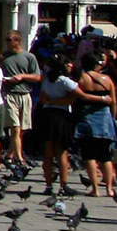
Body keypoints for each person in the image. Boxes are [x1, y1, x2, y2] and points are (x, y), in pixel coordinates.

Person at [75, 48, 117, 197]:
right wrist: (112, 118)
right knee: (105, 156)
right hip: (104, 119)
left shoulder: (82, 79)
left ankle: (95, 188)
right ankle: (109, 188)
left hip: (87, 119)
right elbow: (113, 102)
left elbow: (77, 98)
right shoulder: (107, 80)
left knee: (89, 155)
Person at [36, 57, 81, 194]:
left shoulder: (47, 82)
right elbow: (78, 95)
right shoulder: (65, 81)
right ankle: (63, 185)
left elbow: (43, 99)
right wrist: (63, 101)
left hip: (48, 115)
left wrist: (50, 101)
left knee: (48, 154)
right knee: (61, 153)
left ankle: (48, 185)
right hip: (61, 116)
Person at [1, 32, 41, 169]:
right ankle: (19, 158)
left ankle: (10, 154)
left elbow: (37, 77)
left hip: (25, 94)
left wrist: (22, 76)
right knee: (15, 128)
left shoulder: (29, 57)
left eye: (9, 39)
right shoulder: (4, 57)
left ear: (17, 41)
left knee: (22, 129)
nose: (7, 42)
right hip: (9, 94)